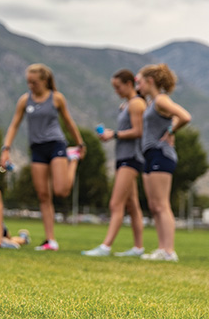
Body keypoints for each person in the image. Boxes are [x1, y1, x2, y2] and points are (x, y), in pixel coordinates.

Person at [0, 63, 85, 251]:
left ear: (45, 81)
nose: (31, 85)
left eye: (34, 82)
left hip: (56, 145)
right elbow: (14, 125)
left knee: (61, 191)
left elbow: (69, 122)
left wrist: (80, 144)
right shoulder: (24, 100)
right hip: (37, 148)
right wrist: (6, 149)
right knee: (43, 195)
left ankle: (73, 161)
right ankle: (50, 240)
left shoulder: (57, 98)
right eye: (28, 82)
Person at [82, 69, 146, 257]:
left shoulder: (136, 104)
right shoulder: (126, 105)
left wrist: (114, 134)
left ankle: (106, 246)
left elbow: (139, 131)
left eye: (118, 87)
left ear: (128, 84)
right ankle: (138, 247)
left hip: (131, 158)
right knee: (132, 205)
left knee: (115, 203)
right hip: (123, 157)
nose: (116, 91)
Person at [136, 64, 191, 262]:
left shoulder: (160, 99)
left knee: (161, 204)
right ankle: (162, 249)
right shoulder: (152, 103)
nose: (138, 86)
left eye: (139, 81)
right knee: (154, 205)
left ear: (150, 81)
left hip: (162, 153)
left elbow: (185, 116)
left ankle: (169, 251)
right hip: (150, 154)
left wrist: (172, 131)